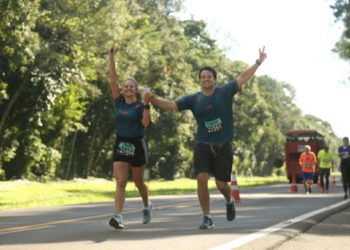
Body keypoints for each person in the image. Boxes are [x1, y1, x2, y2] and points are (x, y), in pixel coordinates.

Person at [147, 47, 267, 229]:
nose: (205, 79)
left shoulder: (225, 92)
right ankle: (207, 217)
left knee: (221, 184)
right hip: (202, 143)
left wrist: (258, 62)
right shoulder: (194, 99)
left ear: (214, 79)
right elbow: (172, 105)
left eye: (209, 76)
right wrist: (152, 100)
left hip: (223, 144)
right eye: (202, 77)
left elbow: (243, 78)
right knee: (201, 178)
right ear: (200, 80)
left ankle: (229, 201)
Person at [108, 45, 152, 229]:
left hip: (137, 144)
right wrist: (111, 58)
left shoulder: (141, 105)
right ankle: (118, 216)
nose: (127, 89)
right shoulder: (118, 100)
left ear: (136, 89)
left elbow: (146, 124)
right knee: (120, 181)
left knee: (139, 182)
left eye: (131, 87)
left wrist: (148, 106)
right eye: (125, 86)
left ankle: (146, 205)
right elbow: (112, 80)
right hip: (121, 143)